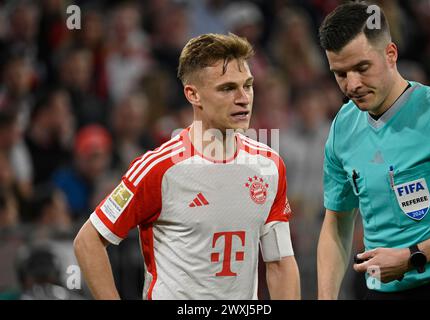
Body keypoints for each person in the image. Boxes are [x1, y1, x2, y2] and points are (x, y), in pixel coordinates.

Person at [74, 33, 300, 300]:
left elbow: (280, 262)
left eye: (247, 85)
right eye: (227, 88)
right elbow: (88, 241)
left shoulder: (269, 166)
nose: (243, 98)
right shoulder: (158, 168)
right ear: (193, 94)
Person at [317, 2, 430, 300]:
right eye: (340, 74)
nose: (352, 85)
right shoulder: (342, 127)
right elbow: (337, 223)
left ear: (391, 54)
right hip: (379, 291)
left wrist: (413, 256)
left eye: (362, 68)